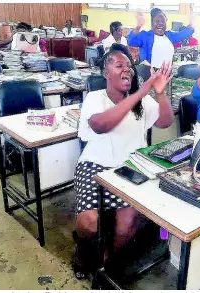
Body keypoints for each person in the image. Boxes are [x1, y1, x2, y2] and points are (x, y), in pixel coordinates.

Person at [73, 43, 174, 279]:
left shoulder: (141, 102)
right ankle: (82, 254)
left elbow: (165, 122)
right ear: (106, 73)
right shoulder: (95, 98)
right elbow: (100, 125)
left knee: (127, 223)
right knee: (88, 222)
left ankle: (107, 259)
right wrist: (142, 91)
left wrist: (158, 93)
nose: (127, 69)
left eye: (129, 66)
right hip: (94, 165)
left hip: (127, 168)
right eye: (119, 65)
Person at [128, 8, 195, 68]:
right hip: (149, 75)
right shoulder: (146, 36)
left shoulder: (170, 36)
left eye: (163, 21)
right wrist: (138, 26)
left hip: (166, 76)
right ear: (152, 23)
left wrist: (192, 18)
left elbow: (186, 33)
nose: (160, 23)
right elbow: (131, 41)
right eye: (157, 21)